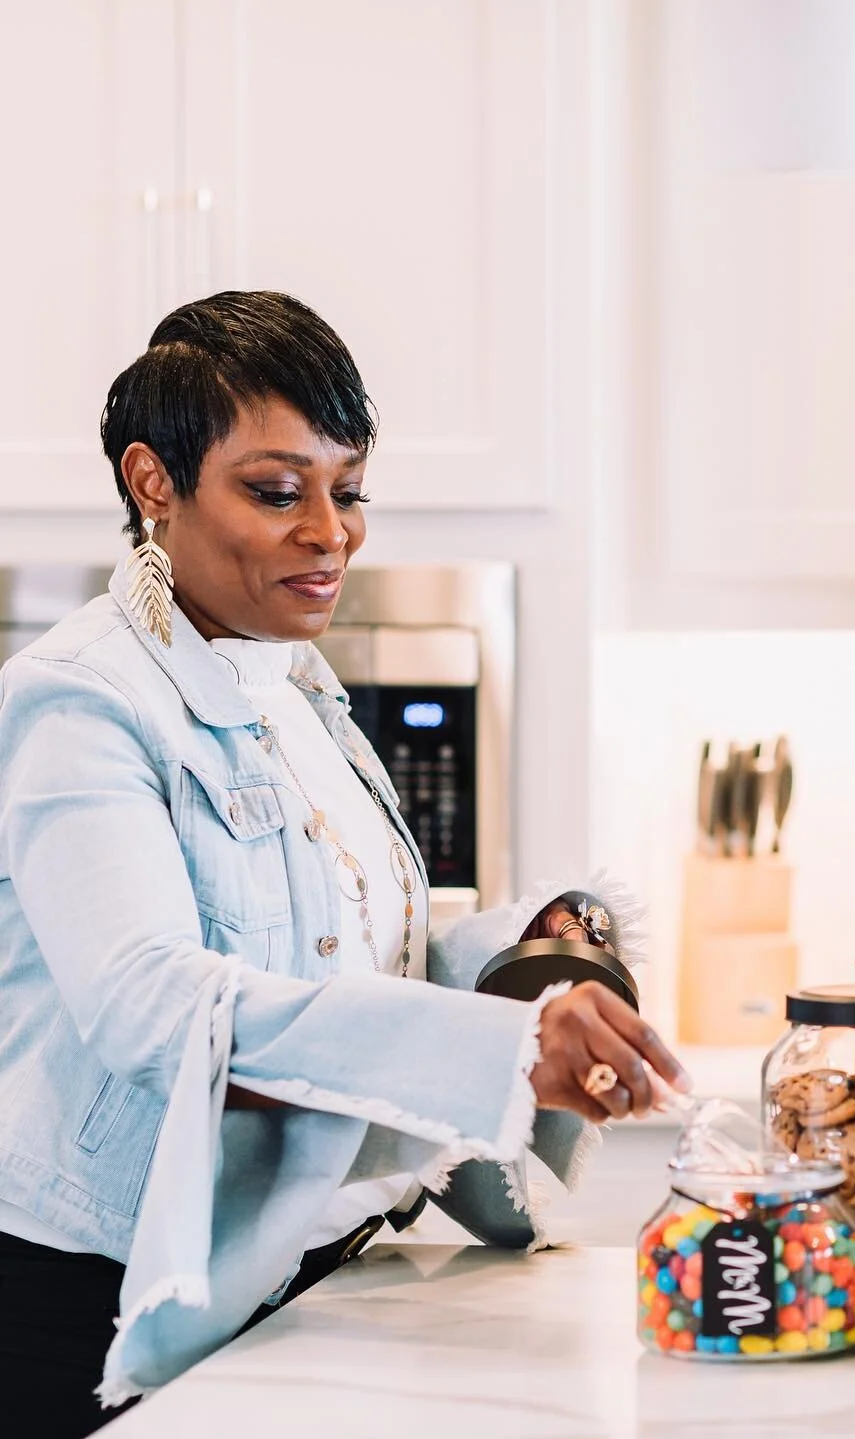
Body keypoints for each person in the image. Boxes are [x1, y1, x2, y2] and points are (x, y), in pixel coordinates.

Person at [0, 291, 688, 1435]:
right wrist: (502, 1045)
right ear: (152, 483)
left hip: (297, 1270)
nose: (332, 531)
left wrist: (539, 956)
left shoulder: (293, 679)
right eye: (277, 491)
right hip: (101, 1306)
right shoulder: (77, 700)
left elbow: (362, 938)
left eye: (349, 487)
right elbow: (155, 1011)